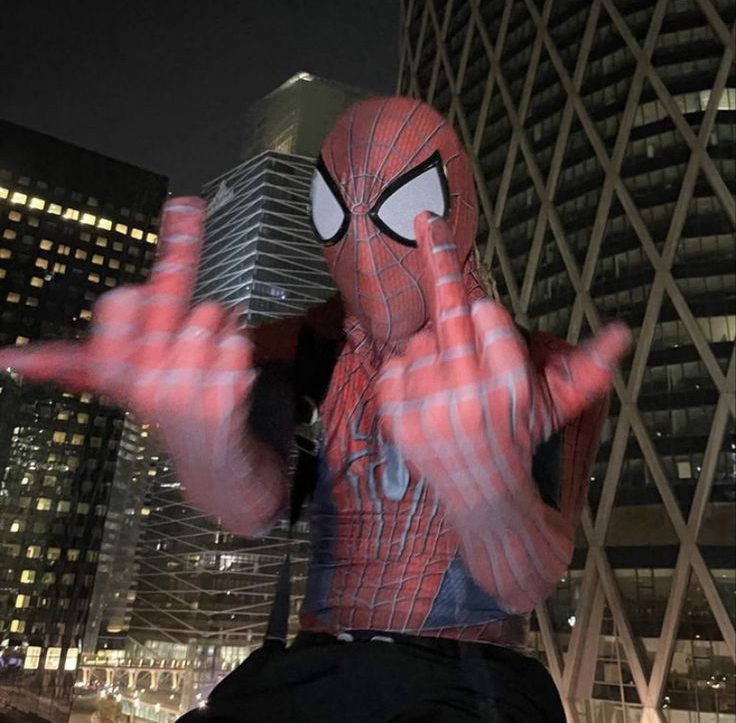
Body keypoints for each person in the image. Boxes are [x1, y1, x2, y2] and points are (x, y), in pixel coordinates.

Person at [0, 97, 630, 722]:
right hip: (315, 665)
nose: (362, 247)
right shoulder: (311, 343)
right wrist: (201, 437)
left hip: (471, 679)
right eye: (335, 213)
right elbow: (253, 503)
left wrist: (489, 487)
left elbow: (531, 577)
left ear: (454, 205)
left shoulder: (546, 368)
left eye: (403, 207)